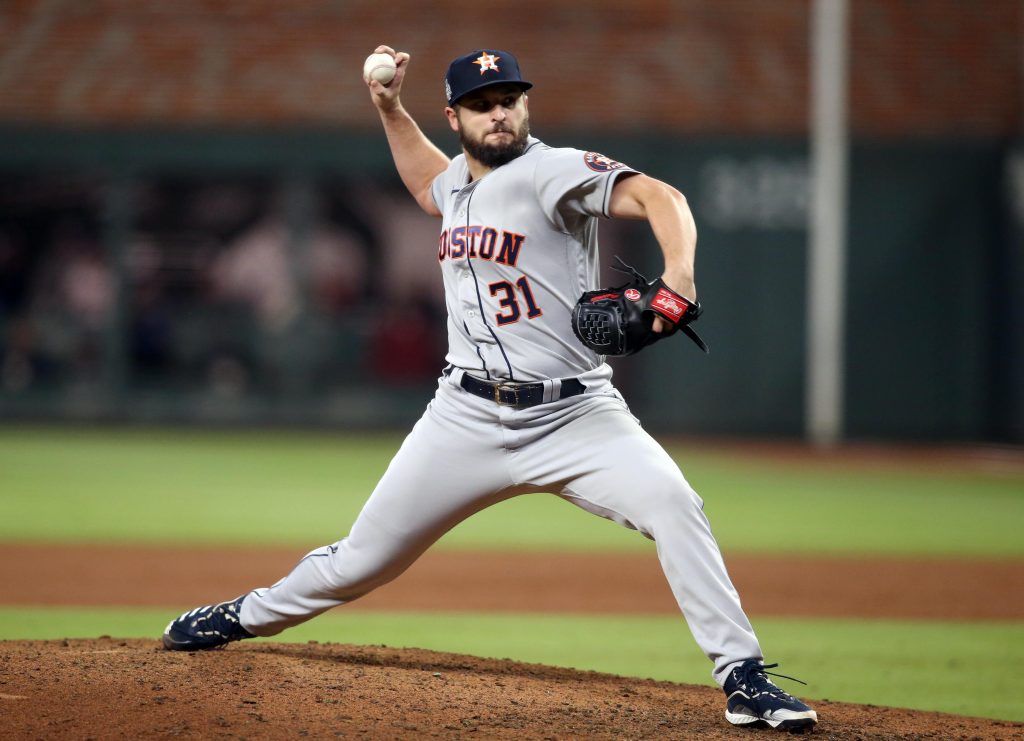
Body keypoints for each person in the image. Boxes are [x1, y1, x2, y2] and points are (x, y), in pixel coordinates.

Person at [162, 46, 818, 733]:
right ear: (455, 117)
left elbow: (664, 197)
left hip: (577, 413)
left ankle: (743, 676)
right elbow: (425, 185)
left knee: (675, 503)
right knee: (359, 562)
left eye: (509, 99)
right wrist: (388, 108)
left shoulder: (553, 170)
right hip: (465, 416)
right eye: (481, 104)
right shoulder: (456, 184)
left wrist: (678, 274)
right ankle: (241, 614)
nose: (499, 113)